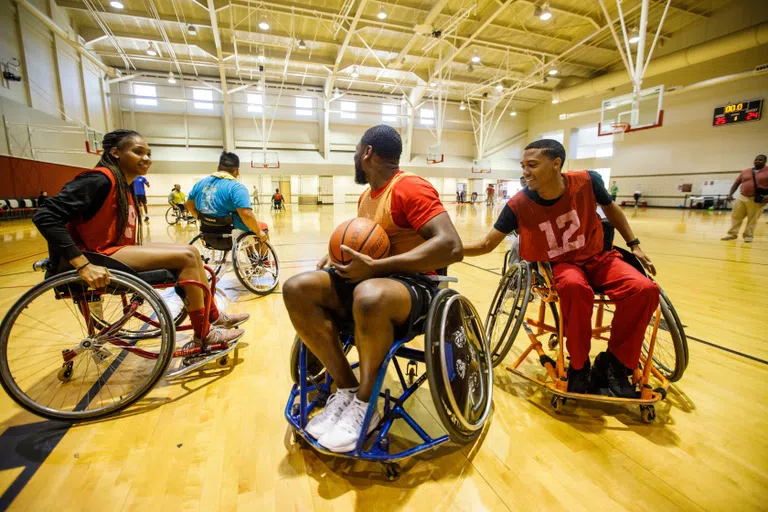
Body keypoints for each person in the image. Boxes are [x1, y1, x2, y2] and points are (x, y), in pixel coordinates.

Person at [282, 125, 463, 453]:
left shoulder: (410, 188)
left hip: (417, 285)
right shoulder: (367, 196)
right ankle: (347, 390)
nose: (354, 156)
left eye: (355, 150)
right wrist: (336, 256)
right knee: (298, 287)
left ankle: (367, 404)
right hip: (371, 279)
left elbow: (452, 246)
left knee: (369, 295)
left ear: (366, 153)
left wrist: (378, 268)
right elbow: (368, 242)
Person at [462, 139, 658, 398]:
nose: (525, 171)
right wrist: (446, 247)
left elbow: (611, 210)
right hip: (563, 264)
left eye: (532, 165)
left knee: (644, 289)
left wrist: (635, 245)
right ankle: (579, 365)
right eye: (523, 165)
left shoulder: (587, 182)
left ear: (556, 164)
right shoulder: (519, 204)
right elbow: (486, 244)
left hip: (599, 257)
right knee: (575, 288)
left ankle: (615, 364)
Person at [33, 130, 247, 347]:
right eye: (138, 152)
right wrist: (82, 265)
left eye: (148, 153)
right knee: (186, 258)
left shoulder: (122, 183)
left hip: (110, 250)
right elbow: (45, 215)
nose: (147, 158)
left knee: (190, 251)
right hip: (95, 255)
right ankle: (204, 334)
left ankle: (213, 316)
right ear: (115, 152)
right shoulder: (98, 179)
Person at [186, 152, 269, 243]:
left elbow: (189, 206)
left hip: (207, 233)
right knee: (262, 227)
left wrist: (201, 218)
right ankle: (263, 257)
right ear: (237, 171)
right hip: (232, 234)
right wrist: (258, 232)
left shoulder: (199, 184)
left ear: (218, 168)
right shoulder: (236, 187)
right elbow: (246, 215)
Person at [721, 154, 767, 243]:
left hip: (756, 199)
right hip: (742, 196)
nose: (757, 161)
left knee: (752, 218)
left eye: (760, 160)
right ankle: (732, 234)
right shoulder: (746, 171)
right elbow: (737, 183)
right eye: (756, 159)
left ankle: (748, 236)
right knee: (736, 216)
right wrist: (730, 194)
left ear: (765, 161)